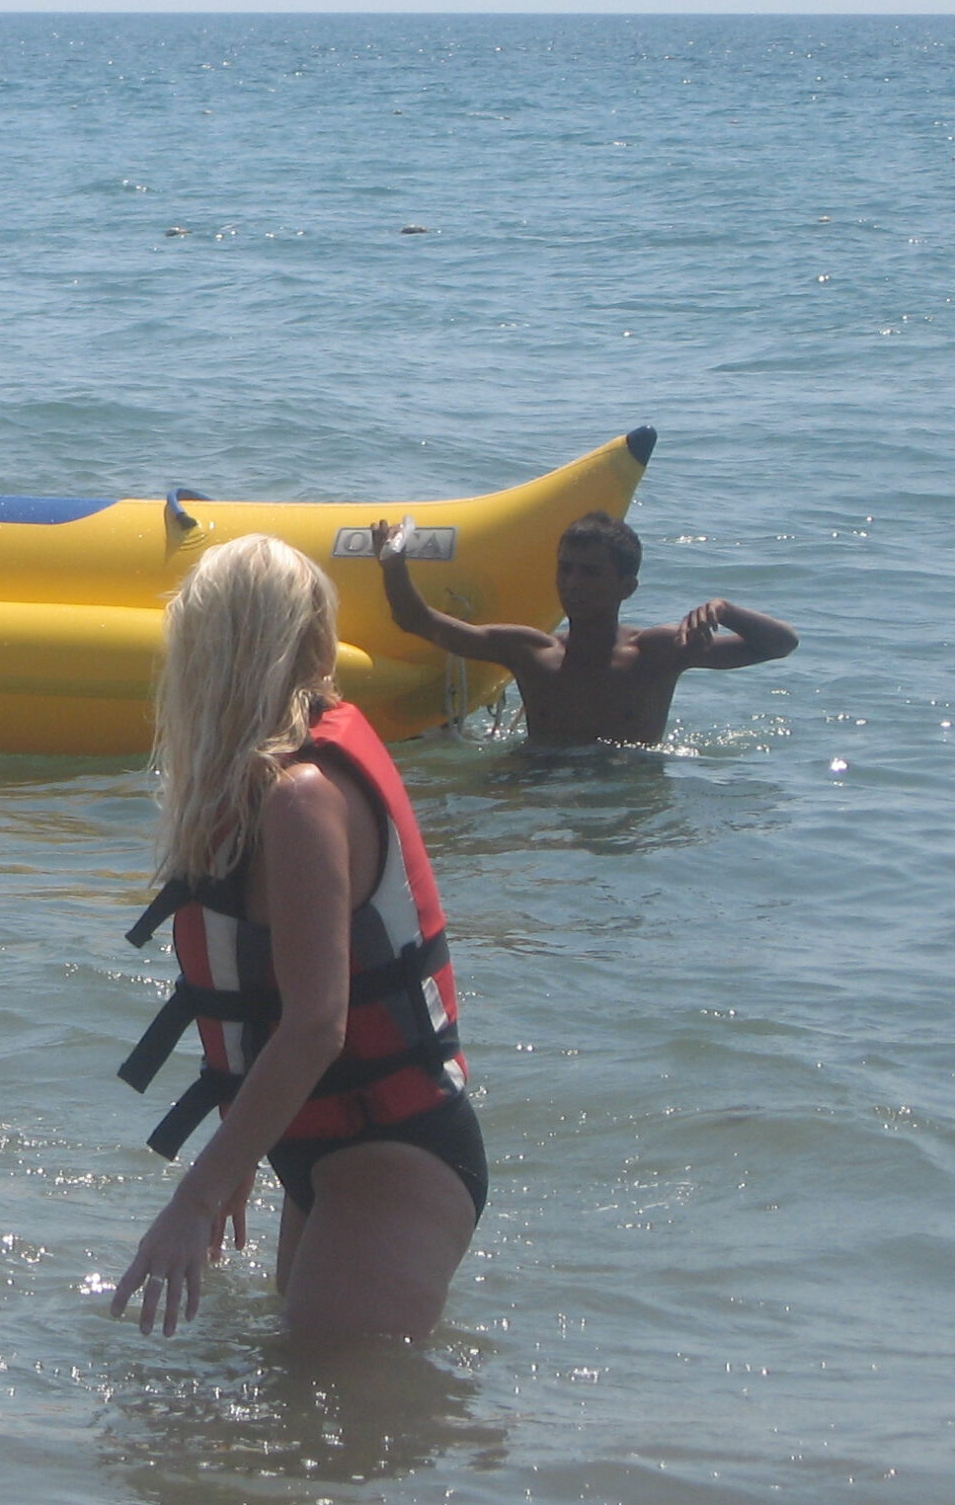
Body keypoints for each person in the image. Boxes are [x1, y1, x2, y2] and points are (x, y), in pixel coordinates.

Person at [113, 534, 481, 1341]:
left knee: (333, 1402)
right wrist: (246, 1149)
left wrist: (198, 1195)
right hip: (337, 1155)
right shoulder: (271, 789)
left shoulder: (304, 798)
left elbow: (318, 1024)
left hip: (393, 1155)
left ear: (214, 654)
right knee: (306, 1408)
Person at [371, 510, 798, 748]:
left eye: (590, 572)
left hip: (624, 791)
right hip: (537, 783)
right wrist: (393, 564)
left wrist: (724, 609)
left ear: (626, 587)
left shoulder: (656, 653)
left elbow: (780, 644)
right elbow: (418, 621)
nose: (573, 583)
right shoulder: (531, 652)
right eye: (566, 569)